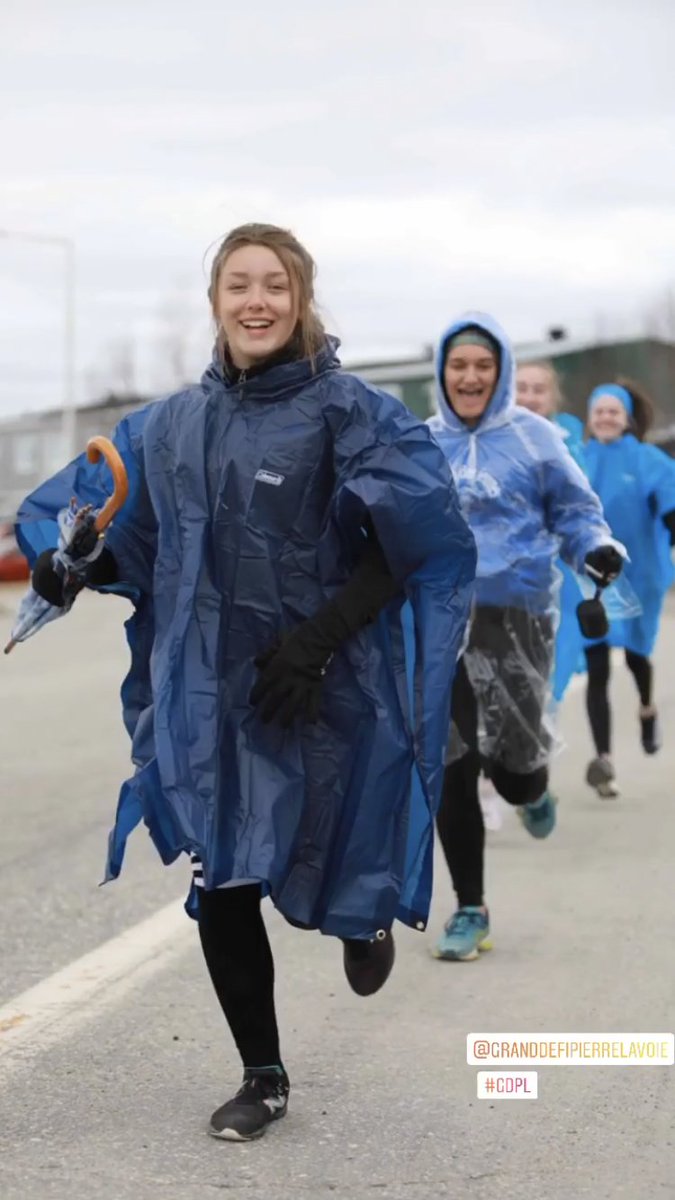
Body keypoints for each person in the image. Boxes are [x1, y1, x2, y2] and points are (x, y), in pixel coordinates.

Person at [14, 223, 476, 1141]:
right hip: (205, 693)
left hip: (327, 678)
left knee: (340, 838)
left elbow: (410, 548)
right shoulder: (169, 426)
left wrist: (316, 642)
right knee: (222, 873)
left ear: (300, 299)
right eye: (238, 285)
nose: (255, 301)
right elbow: (102, 533)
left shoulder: (354, 412)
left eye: (274, 285)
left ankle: (364, 913)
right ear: (216, 300)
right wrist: (66, 565)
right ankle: (262, 1076)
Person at [426, 314, 621, 962]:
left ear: (501, 370)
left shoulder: (535, 438)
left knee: (510, 772)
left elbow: (575, 511)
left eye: (482, 365)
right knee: (452, 765)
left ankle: (532, 789)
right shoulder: (421, 444)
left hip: (517, 621)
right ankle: (469, 909)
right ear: (442, 374)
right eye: (458, 366)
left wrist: (594, 550)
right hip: (441, 621)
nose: (470, 376)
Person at [580, 379, 675, 797]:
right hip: (591, 581)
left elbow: (672, 507)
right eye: (598, 411)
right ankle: (605, 761)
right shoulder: (575, 459)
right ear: (589, 418)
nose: (605, 418)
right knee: (597, 666)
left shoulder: (648, 460)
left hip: (641, 577)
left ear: (627, 419)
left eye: (613, 411)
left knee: (637, 659)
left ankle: (647, 707)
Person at [515, 360, 590, 703]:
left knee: (545, 681)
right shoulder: (490, 441)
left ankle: (534, 752)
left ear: (553, 399)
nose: (529, 397)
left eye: (538, 390)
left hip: (557, 580)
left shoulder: (567, 447)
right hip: (503, 582)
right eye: (522, 388)